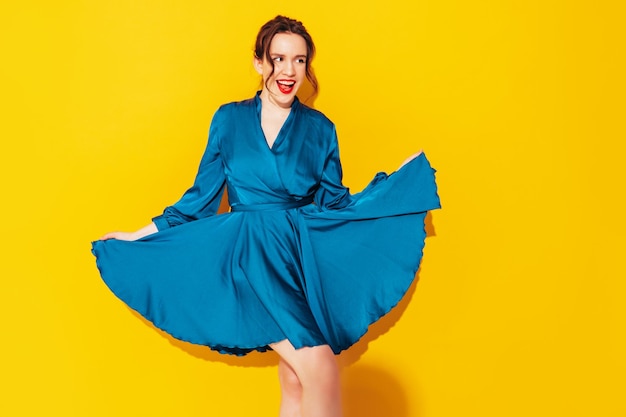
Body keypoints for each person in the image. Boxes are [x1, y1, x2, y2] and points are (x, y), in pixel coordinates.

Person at [92, 15, 440, 417]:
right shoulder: (228, 120)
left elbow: (335, 205)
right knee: (320, 367)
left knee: (295, 378)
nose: (289, 71)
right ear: (259, 63)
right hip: (248, 255)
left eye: (299, 60)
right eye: (278, 59)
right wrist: (138, 236)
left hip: (295, 259)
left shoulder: (321, 129)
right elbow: (198, 200)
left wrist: (397, 186)